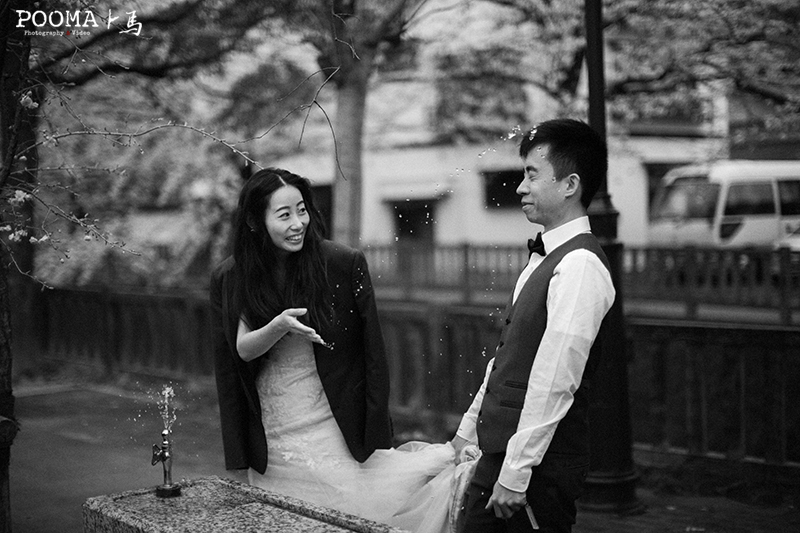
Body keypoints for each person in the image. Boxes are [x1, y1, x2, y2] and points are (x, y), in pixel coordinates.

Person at [210, 167, 460, 531]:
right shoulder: (232, 276)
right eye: (284, 215)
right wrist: (237, 454)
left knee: (350, 513)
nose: (298, 223)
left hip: (334, 422)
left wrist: (376, 434)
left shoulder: (342, 264)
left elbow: (373, 355)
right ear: (253, 221)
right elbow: (232, 364)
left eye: (302, 210)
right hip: (272, 433)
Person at [451, 119, 616, 533]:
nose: (520, 188)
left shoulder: (580, 265)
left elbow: (555, 378)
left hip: (537, 468)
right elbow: (509, 357)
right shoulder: (546, 256)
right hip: (501, 455)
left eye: (532, 174)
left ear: (570, 184)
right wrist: (468, 430)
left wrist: (515, 473)